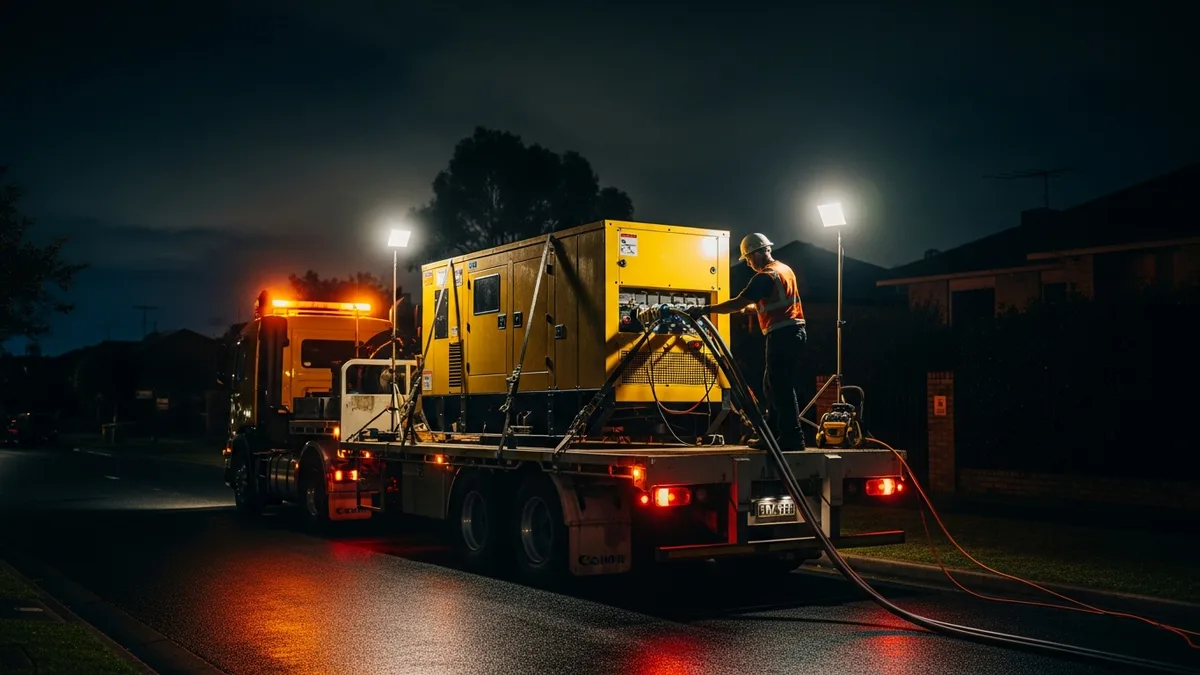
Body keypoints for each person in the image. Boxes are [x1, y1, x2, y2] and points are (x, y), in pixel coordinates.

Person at [688, 233, 807, 450]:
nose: (750, 263)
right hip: (792, 332)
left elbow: (737, 302)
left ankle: (792, 437)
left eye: (750, 258)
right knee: (771, 385)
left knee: (780, 386)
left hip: (782, 334)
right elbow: (772, 302)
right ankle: (773, 436)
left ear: (759, 252)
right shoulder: (784, 269)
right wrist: (752, 309)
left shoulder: (765, 276)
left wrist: (705, 310)